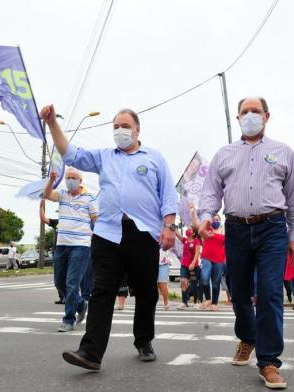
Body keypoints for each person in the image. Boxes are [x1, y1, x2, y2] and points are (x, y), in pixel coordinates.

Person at [40, 104, 177, 370]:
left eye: (125, 126)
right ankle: (90, 352)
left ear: (137, 130)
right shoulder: (104, 156)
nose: (120, 131)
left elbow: (168, 195)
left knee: (147, 292)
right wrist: (52, 124)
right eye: (115, 127)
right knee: (102, 290)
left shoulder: (155, 158)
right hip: (107, 233)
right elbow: (70, 153)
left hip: (143, 234)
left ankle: (143, 340)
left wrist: (169, 227)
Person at [198, 97, 294, 389]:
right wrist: (206, 215)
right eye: (244, 112)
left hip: (273, 228)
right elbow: (210, 193)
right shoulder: (224, 154)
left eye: (255, 111)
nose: (250, 116)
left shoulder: (283, 152)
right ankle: (248, 337)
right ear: (237, 118)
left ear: (266, 116)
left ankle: (269, 361)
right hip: (235, 229)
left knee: (270, 293)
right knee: (239, 291)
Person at [39, 168, 98, 332]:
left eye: (73, 178)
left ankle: (69, 319)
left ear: (80, 181)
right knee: (59, 283)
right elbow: (47, 195)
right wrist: (51, 180)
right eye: (68, 178)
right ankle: (81, 304)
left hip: (81, 245)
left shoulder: (89, 198)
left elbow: (96, 220)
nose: (70, 180)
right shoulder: (62, 194)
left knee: (72, 283)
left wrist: (95, 238)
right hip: (62, 245)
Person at [198, 214, 225, 311]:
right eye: (213, 220)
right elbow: (198, 227)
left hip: (219, 259)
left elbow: (226, 246)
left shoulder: (223, 231)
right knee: (204, 278)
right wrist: (193, 212)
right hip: (206, 257)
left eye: (217, 219)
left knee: (216, 282)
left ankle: (214, 303)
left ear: (220, 221)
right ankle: (208, 299)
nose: (215, 221)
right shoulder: (206, 230)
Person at [175, 227, 201, 309]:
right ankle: (184, 302)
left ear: (193, 233)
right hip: (184, 265)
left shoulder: (196, 241)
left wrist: (193, 263)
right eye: (187, 229)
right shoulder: (185, 240)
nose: (187, 230)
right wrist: (172, 226)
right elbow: (178, 234)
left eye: (190, 230)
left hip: (193, 266)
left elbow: (197, 253)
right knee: (183, 281)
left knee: (193, 284)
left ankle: (196, 302)